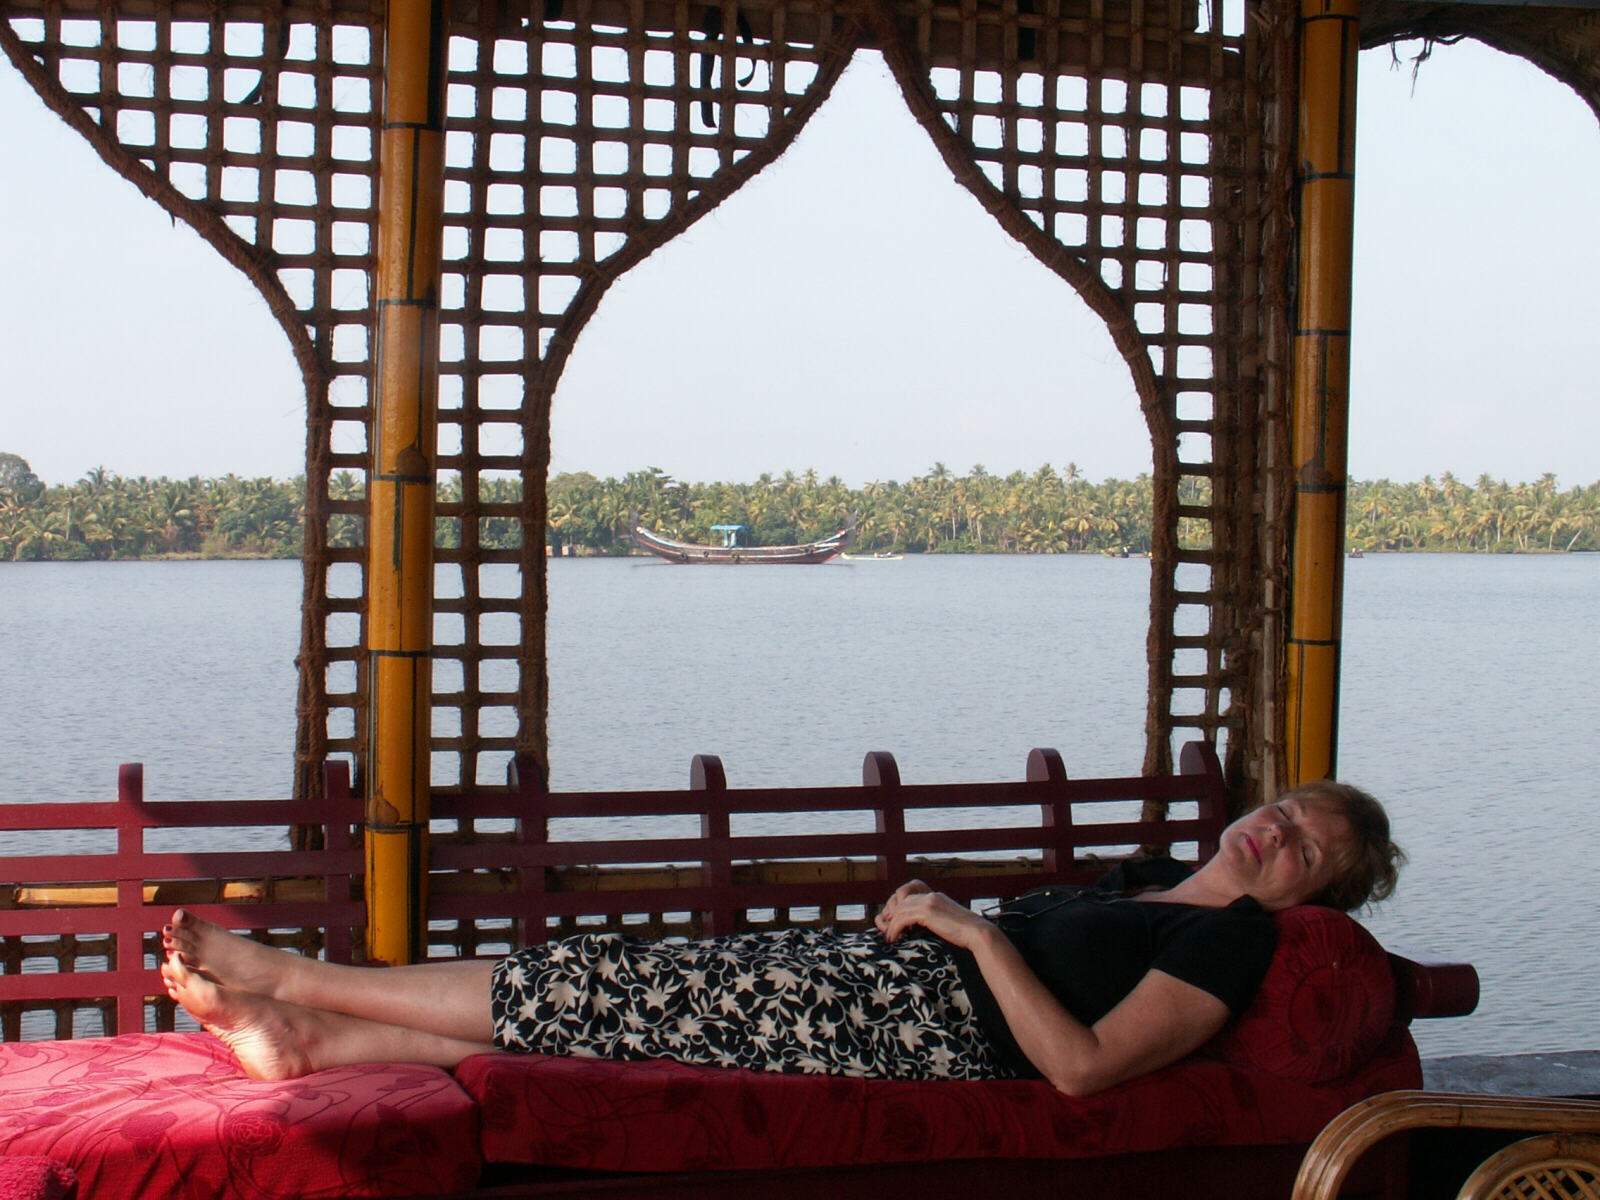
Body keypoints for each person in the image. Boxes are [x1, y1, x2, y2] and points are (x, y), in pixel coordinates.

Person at [160, 778, 1403, 1096]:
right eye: (1281, 810)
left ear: (1313, 898)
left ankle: (291, 974)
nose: (1274, 833)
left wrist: (973, 938)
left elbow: (1080, 1068)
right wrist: (943, 927)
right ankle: (311, 1043)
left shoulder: (1228, 947)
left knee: (597, 986)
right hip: (883, 979)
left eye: (1305, 847)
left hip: (926, 1030)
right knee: (627, 995)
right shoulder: (1145, 887)